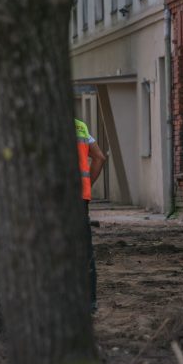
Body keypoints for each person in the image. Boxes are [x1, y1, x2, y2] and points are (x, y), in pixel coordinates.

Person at [76, 118, 107, 312]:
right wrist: (88, 183)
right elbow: (100, 157)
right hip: (80, 198)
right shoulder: (80, 126)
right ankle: (90, 301)